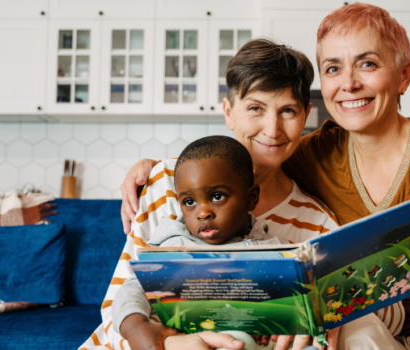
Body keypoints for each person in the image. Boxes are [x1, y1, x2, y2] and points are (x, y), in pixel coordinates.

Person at [120, 4, 410, 349]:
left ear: (404, 76)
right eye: (333, 68)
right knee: (357, 329)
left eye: (368, 63)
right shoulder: (309, 153)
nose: (348, 84)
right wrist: (161, 170)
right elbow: (245, 163)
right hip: (369, 334)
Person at [84, 38, 408, 350]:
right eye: (255, 108)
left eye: (288, 111)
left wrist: (332, 310)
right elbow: (117, 308)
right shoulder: (167, 181)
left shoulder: (316, 223)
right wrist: (168, 342)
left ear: (306, 116)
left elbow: (385, 316)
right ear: (228, 111)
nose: (272, 129)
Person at [114, 135, 290, 349]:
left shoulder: (275, 249)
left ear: (251, 198)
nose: (203, 213)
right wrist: (136, 328)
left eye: (217, 197)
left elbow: (291, 305)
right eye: (189, 202)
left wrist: (276, 323)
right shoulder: (175, 249)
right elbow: (132, 290)